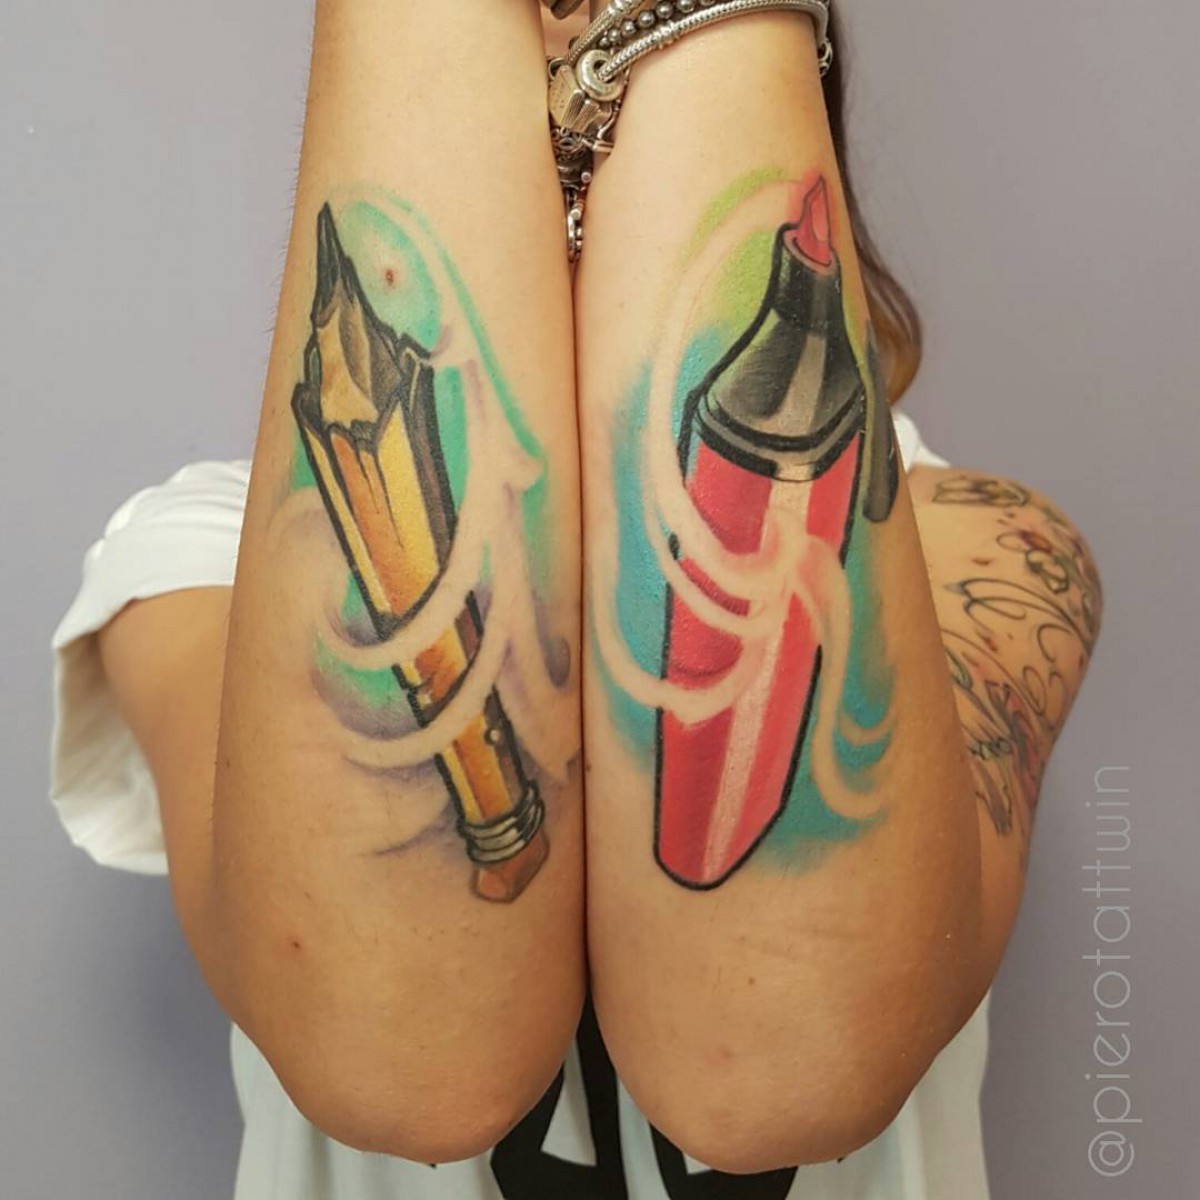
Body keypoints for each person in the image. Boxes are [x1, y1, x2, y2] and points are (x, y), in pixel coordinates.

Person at [48, 1, 1102, 1197]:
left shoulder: (987, 544)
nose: (583, 69)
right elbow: (412, 1070)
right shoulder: (197, 558)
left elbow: (772, 1077)